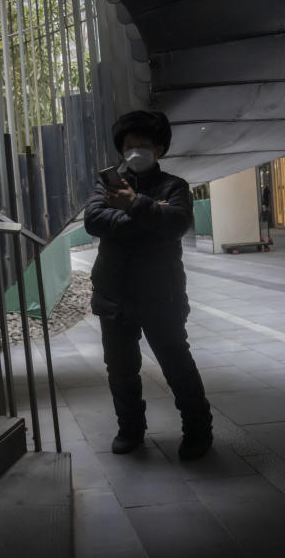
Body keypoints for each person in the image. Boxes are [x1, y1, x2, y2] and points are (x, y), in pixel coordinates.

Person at [84, 110, 213, 460]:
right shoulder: (106, 184)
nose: (136, 152)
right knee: (121, 369)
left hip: (162, 295)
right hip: (114, 294)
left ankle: (199, 431)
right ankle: (130, 430)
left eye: (143, 145)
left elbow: (177, 223)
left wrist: (132, 206)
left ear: (160, 148)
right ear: (120, 148)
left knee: (177, 364)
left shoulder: (175, 186)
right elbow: (94, 221)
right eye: (129, 146)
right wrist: (147, 212)